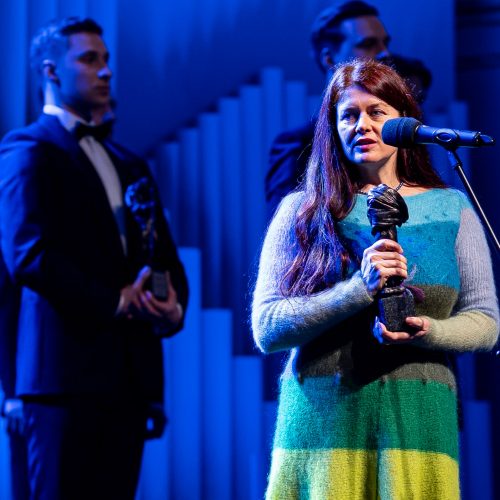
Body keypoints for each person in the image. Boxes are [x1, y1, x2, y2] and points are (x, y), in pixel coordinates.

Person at [252, 59, 499, 498]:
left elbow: (485, 320)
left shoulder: (451, 208)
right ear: (332, 127)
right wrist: (356, 290)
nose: (361, 124)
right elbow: (268, 328)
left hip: (421, 415)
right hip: (324, 418)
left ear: (404, 121)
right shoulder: (302, 210)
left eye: (376, 112)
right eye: (348, 115)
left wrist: (433, 332)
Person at [0, 16, 188, 500]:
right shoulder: (26, 149)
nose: (105, 71)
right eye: (88, 59)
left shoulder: (129, 162)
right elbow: (28, 254)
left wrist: (174, 307)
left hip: (127, 380)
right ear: (51, 71)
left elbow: (162, 252)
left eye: (106, 60)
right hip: (62, 380)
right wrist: (114, 300)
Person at [265, 0, 431, 220]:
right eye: (368, 44)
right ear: (329, 58)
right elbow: (288, 229)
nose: (384, 54)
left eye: (385, 43)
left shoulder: (399, 133)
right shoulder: (297, 145)